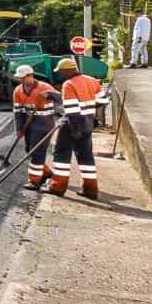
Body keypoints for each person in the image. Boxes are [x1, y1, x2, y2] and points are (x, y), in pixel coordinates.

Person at [49, 57, 110, 199]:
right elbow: (103, 101)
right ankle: (91, 190)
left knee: (61, 154)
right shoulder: (92, 80)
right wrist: (89, 109)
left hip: (72, 124)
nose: (61, 74)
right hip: (88, 123)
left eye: (61, 72)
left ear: (66, 71)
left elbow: (72, 111)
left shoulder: (68, 84)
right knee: (86, 156)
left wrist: (75, 129)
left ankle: (57, 186)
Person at [14, 65, 61, 191]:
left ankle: (34, 181)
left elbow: (62, 98)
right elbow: (18, 112)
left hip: (44, 124)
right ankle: (45, 172)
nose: (21, 80)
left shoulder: (44, 87)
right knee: (29, 150)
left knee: (37, 152)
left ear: (30, 76)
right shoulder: (18, 90)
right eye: (20, 78)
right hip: (29, 125)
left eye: (23, 78)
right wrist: (19, 129)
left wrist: (49, 94)